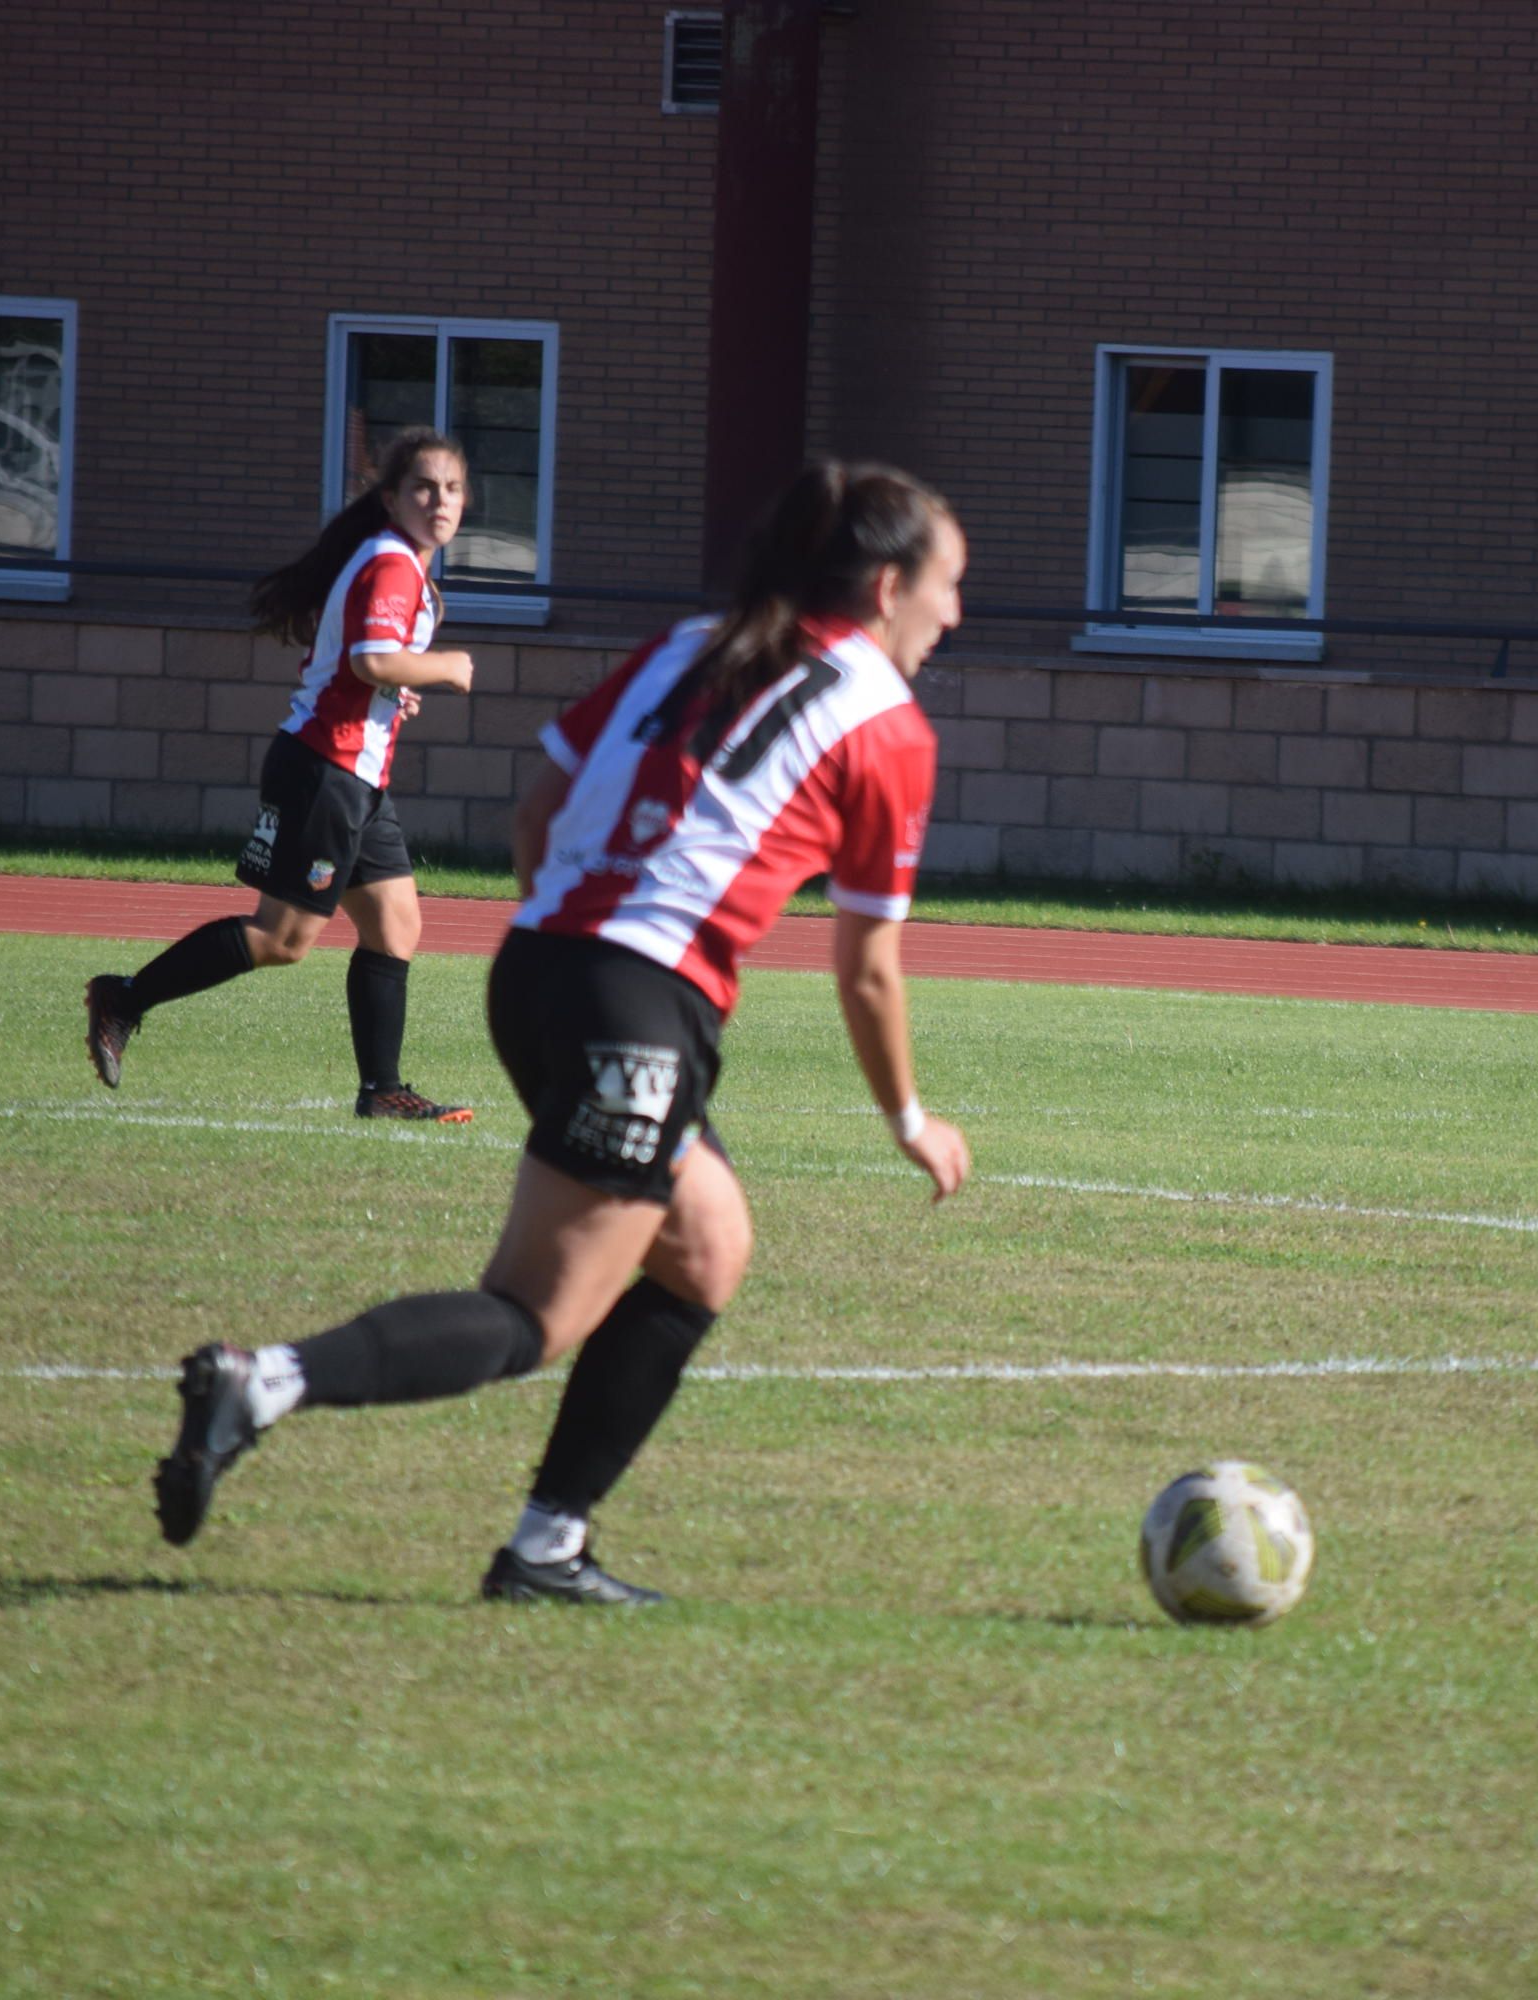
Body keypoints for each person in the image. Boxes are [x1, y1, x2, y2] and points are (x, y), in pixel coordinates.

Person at [150, 457, 974, 1604]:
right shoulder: (886, 723)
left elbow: (539, 806)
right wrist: (910, 1119)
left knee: (707, 1247)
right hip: (634, 1005)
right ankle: (264, 1383)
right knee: (535, 1312)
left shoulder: (693, 642)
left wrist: (574, 951)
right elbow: (869, 969)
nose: (957, 610)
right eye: (949, 582)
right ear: (886, 587)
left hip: (537, 967)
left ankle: (548, 1544)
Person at [81, 426, 481, 1122]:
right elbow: (372, 661)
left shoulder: (399, 562)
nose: (438, 500)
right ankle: (125, 997)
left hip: (356, 775)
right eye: (423, 487)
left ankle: (381, 1091)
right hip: (325, 767)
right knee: (283, 939)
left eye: (451, 489)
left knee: (396, 925)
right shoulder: (392, 561)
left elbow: (371, 668)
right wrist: (445, 667)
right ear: (391, 497)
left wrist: (397, 687)